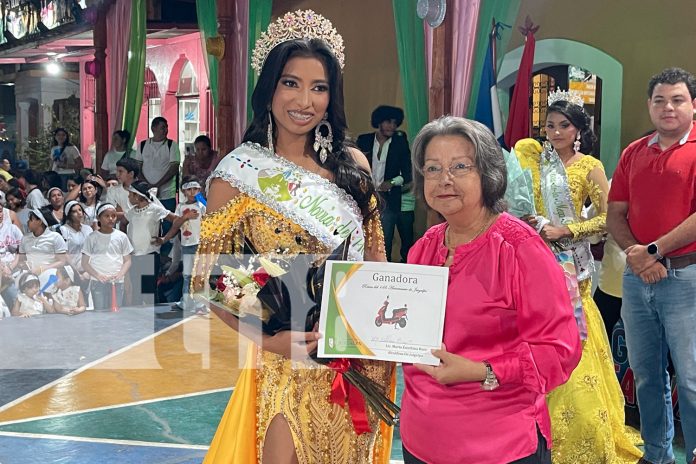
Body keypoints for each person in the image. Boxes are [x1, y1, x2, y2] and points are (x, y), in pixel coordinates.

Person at [195, 10, 394, 464]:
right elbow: (219, 285)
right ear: (269, 88)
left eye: (319, 87)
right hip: (286, 358)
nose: (305, 100)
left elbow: (376, 259)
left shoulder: (353, 166)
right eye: (291, 83)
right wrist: (270, 342)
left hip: (357, 357)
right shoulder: (236, 175)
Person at [399, 116, 581, 464]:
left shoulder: (519, 248)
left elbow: (560, 351)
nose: (444, 180)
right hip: (420, 437)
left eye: (460, 166)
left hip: (497, 444)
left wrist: (483, 371)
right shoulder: (423, 248)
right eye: (432, 169)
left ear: (489, 174)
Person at [516, 90, 642, 463]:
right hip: (532, 259)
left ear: (579, 131)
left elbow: (610, 217)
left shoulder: (589, 167)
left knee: (574, 334)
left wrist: (567, 231)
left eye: (563, 126)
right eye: (550, 125)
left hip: (572, 265)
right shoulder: (534, 163)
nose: (555, 132)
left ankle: (581, 431)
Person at [607, 67, 696, 464]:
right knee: (646, 375)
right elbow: (615, 215)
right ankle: (657, 454)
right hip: (637, 276)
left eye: (677, 99)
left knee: (691, 380)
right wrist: (637, 255)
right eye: (659, 100)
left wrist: (654, 250)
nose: (668, 108)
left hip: (685, 277)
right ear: (650, 106)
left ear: (693, 104)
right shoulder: (633, 152)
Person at [356, 105, 412, 261]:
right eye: (388, 122)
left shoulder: (400, 143)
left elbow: (408, 174)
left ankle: (382, 274)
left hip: (388, 198)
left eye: (395, 123)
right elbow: (354, 168)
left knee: (384, 240)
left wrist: (392, 182)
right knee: (362, 238)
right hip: (365, 196)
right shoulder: (364, 140)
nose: (392, 126)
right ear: (379, 122)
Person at [122, 181, 186, 306]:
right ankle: (138, 320)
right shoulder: (132, 211)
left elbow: (177, 220)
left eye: (131, 194)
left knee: (149, 291)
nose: (129, 197)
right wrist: (126, 242)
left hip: (149, 255)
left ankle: (154, 319)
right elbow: (123, 223)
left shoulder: (155, 209)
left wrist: (164, 239)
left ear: (138, 196)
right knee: (136, 290)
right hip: (134, 255)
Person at [164, 175, 205, 313]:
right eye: (189, 189)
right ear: (184, 191)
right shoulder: (180, 207)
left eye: (195, 189)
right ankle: (186, 301)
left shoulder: (202, 205)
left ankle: (200, 303)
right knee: (187, 274)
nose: (193, 192)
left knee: (200, 274)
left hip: (201, 244)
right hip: (187, 244)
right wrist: (185, 217)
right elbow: (176, 224)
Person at [81, 203, 133, 311]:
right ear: (99, 218)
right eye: (106, 216)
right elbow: (85, 263)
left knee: (115, 312)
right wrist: (98, 276)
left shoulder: (122, 237)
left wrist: (120, 275)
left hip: (117, 282)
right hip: (98, 281)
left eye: (113, 216)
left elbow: (127, 261)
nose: (111, 219)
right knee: (100, 312)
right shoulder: (92, 237)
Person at [133, 117, 180, 214]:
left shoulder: (172, 145)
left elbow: (174, 169)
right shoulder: (142, 145)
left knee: (167, 223)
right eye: (162, 127)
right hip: (146, 193)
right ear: (153, 129)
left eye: (166, 127)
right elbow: (138, 168)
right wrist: (148, 185)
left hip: (167, 194)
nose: (165, 130)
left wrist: (157, 185)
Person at [19, 208, 67, 276]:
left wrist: (42, 269)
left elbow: (62, 261)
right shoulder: (25, 238)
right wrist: (23, 265)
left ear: (40, 221)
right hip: (30, 274)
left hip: (50, 273)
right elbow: (21, 259)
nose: (27, 222)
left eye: (31, 219)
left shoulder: (55, 237)